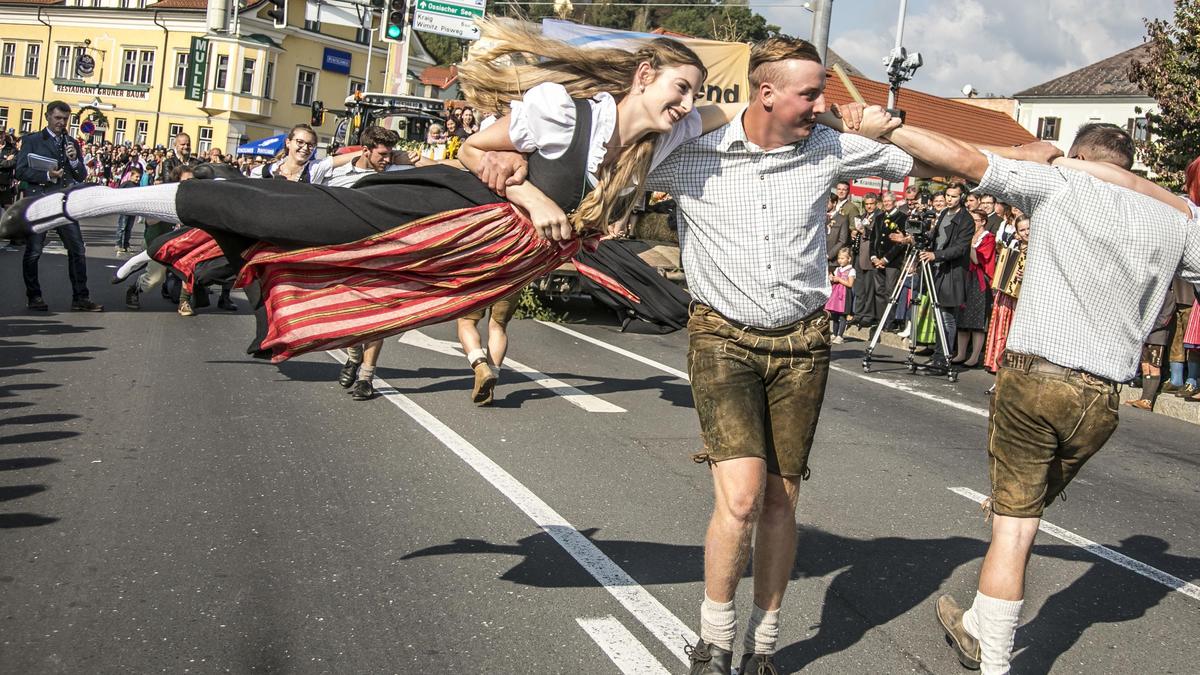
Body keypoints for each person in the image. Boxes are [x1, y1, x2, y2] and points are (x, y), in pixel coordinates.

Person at [1, 19, 734, 363]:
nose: (684, 103)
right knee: (274, 208)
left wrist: (836, 118)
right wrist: (532, 197)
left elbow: (736, 114)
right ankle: (70, 205)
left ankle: (186, 254)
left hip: (473, 255)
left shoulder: (662, 137)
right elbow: (477, 150)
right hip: (443, 206)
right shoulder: (559, 109)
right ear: (644, 76)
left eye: (690, 94)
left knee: (288, 240)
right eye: (678, 88)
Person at [861, 112, 1200, 675]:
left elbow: (964, 159)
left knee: (1014, 529)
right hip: (1099, 398)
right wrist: (1171, 200)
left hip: (1035, 374)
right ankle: (976, 620)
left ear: (1081, 156)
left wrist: (888, 130)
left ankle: (991, 657)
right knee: (1020, 509)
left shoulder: (1059, 181)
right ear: (1131, 165)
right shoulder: (1176, 222)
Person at [631, 37, 928, 675]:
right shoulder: (691, 152)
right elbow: (618, 156)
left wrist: (862, 121)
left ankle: (765, 643)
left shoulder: (826, 148)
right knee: (739, 497)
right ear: (765, 93)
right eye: (812, 92)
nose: (823, 102)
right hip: (722, 337)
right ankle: (714, 638)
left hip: (803, 342)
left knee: (779, 499)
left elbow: (908, 166)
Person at [15, 100, 102, 312]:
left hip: (64, 204)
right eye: (57, 118)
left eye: (65, 119)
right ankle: (34, 296)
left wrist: (73, 161)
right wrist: (46, 175)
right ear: (47, 117)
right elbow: (20, 171)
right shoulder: (33, 140)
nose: (61, 123)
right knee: (34, 251)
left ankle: (81, 297)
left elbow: (81, 174)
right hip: (40, 202)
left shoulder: (71, 142)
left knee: (77, 249)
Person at [982, 214, 1029, 385]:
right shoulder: (1014, 246)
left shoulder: (1038, 251)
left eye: (1028, 228)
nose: (1026, 233)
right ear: (1016, 232)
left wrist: (1027, 274)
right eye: (1022, 230)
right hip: (1006, 296)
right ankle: (999, 372)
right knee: (1002, 332)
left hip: (1024, 299)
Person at [953, 208, 996, 367]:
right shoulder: (969, 236)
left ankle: (975, 355)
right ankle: (961, 353)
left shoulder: (989, 238)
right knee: (962, 317)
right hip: (964, 277)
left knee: (977, 320)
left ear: (983, 221)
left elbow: (978, 260)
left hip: (979, 280)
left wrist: (969, 244)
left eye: (974, 221)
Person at [825, 247, 855, 343]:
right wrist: (831, 278)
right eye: (839, 258)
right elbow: (834, 279)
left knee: (842, 316)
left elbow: (850, 284)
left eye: (842, 258)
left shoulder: (851, 270)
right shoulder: (837, 269)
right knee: (834, 315)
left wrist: (839, 280)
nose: (840, 260)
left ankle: (840, 335)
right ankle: (834, 333)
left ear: (849, 259)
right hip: (835, 295)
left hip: (844, 295)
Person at [115, 165, 143, 255]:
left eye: (139, 177)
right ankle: (119, 244)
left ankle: (126, 244)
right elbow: (118, 193)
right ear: (131, 176)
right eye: (136, 177)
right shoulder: (126, 184)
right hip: (125, 209)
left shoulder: (138, 186)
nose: (138, 179)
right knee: (122, 227)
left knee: (129, 228)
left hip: (132, 209)